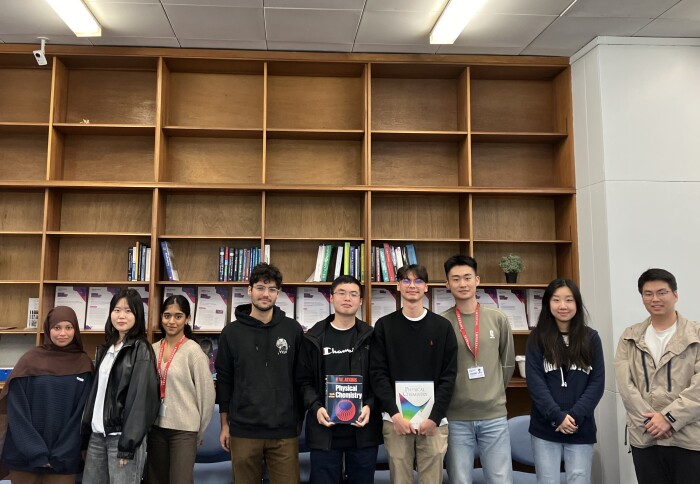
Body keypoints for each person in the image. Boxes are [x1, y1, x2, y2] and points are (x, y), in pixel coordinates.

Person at [215, 262, 304, 484]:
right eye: (261, 288)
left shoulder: (293, 330)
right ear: (250, 290)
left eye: (272, 289)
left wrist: (297, 419)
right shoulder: (231, 333)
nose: (266, 294)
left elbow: (300, 378)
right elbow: (224, 381)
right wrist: (225, 425)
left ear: (278, 293)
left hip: (283, 431)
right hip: (244, 430)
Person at [370, 264, 458, 484]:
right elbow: (378, 374)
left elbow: (449, 377)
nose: (412, 285)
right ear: (398, 286)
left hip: (433, 422)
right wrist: (394, 413)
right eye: (406, 280)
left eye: (418, 281)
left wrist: (434, 417)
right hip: (396, 420)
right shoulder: (384, 326)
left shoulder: (442, 327)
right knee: (400, 480)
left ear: (426, 287)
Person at [614, 268, 700, 484]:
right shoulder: (629, 336)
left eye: (662, 292)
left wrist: (669, 419)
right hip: (646, 436)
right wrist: (653, 422)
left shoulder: (696, 335)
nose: (655, 299)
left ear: (675, 295)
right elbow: (626, 385)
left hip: (689, 437)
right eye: (648, 293)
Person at [296, 275, 383, 484]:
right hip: (324, 430)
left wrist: (371, 406)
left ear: (361, 301)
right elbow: (303, 380)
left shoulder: (372, 337)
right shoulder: (313, 338)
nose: (348, 298)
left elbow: (380, 378)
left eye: (354, 294)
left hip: (363, 430)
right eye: (342, 293)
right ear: (331, 298)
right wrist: (316, 408)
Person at [441, 255, 515, 484]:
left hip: (493, 416)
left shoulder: (498, 318)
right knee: (459, 479)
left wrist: (491, 393)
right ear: (447, 284)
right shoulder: (441, 323)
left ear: (477, 280)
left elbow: (508, 363)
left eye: (467, 278)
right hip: (455, 417)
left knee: (500, 479)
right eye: (456, 279)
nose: (462, 284)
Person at [0, 307, 93, 484]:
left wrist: (63, 452)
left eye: (68, 327)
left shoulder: (84, 364)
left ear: (76, 330)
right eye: (57, 328)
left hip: (64, 459)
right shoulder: (29, 361)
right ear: (48, 329)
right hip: (25, 456)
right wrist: (35, 451)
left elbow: (81, 416)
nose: (63, 333)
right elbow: (17, 412)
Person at [526, 279, 604, 484]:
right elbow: (535, 383)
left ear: (577, 304)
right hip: (545, 426)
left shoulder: (591, 338)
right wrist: (557, 416)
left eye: (569, 300)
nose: (563, 306)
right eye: (556, 300)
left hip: (581, 426)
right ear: (548, 304)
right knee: (547, 480)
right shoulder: (537, 338)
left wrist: (574, 416)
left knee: (579, 479)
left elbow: (597, 383)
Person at [81, 288, 160, 483]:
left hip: (122, 439)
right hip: (98, 435)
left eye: (128, 311)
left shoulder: (141, 349)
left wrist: (128, 445)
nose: (121, 316)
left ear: (137, 316)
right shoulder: (107, 348)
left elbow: (143, 400)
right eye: (117, 310)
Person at [145, 295, 215, 484]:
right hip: (156, 429)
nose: (172, 321)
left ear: (187, 318)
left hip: (184, 431)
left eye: (178, 316)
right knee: (155, 480)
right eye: (167, 316)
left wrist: (199, 431)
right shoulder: (152, 349)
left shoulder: (194, 352)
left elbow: (207, 396)